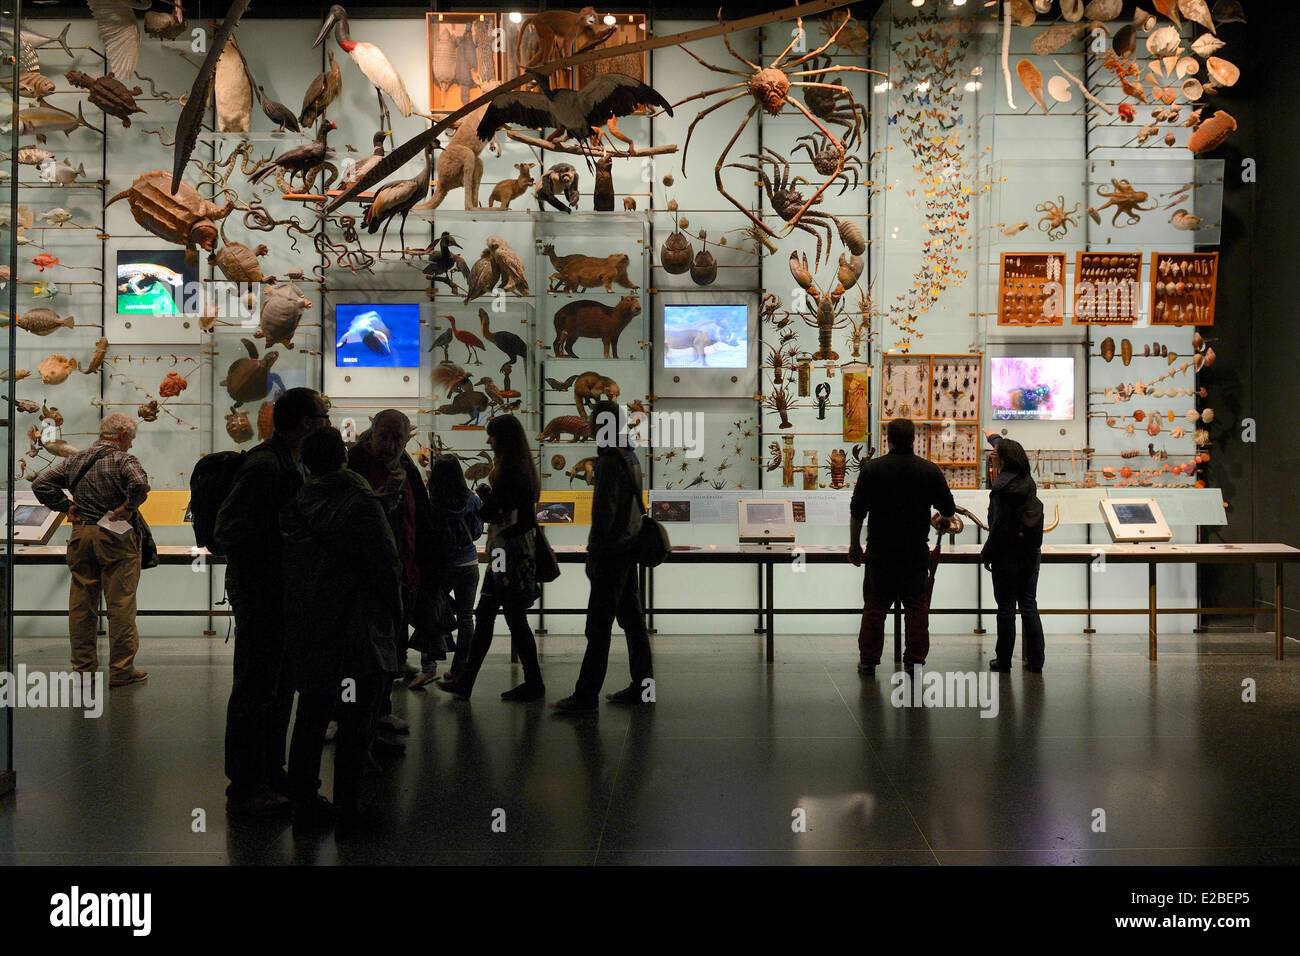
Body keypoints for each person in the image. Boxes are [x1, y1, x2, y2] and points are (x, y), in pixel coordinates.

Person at [281, 427, 404, 833]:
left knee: (312, 712)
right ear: (344, 458)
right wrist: (395, 624)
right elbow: (387, 565)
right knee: (357, 720)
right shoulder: (361, 500)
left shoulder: (298, 500)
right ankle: (349, 807)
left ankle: (303, 799)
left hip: (313, 622)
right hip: (358, 626)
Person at [215, 386, 328, 820]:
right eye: (321, 417)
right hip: (263, 599)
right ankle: (245, 786)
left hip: (278, 597)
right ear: (306, 424)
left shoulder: (285, 462)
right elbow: (231, 531)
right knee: (255, 690)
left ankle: (267, 774)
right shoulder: (265, 466)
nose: (326, 423)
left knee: (277, 690)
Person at [32, 412, 151, 688]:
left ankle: (83, 670)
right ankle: (122, 671)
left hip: (81, 534)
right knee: (120, 605)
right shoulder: (124, 459)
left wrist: (66, 507)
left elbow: (40, 483)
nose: (131, 444)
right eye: (131, 438)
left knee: (82, 605)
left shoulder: (75, 459)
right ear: (122, 435)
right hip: (116, 538)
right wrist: (128, 508)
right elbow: (139, 484)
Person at [437, 414, 543, 702]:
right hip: (513, 552)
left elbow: (495, 513)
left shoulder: (508, 471)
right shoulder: (524, 469)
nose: (489, 441)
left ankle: (475, 681)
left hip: (504, 553)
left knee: (501, 617)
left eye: (492, 436)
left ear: (502, 439)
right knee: (497, 616)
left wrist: (484, 497)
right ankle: (470, 681)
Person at [555, 401, 653, 714]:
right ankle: (643, 687)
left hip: (612, 553)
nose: (591, 428)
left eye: (595, 423)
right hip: (627, 548)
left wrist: (595, 553)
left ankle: (585, 695)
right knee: (632, 622)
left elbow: (605, 512)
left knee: (599, 627)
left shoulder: (611, 460)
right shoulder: (630, 455)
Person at [346, 409, 438, 737]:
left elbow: (422, 515)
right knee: (359, 656)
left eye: (398, 438)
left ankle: (381, 711)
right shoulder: (353, 463)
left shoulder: (407, 465)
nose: (390, 444)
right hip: (365, 577)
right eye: (384, 436)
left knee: (393, 652)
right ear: (371, 434)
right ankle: (345, 717)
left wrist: (425, 568)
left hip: (403, 572)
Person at [848, 418, 956, 677]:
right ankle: (915, 661)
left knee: (875, 607)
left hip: (880, 551)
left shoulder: (873, 470)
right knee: (916, 608)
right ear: (914, 439)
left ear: (888, 439)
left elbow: (857, 511)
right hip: (915, 552)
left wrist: (854, 544)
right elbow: (948, 510)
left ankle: (869, 660)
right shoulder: (928, 470)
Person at [411, 455, 483, 689]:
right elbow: (477, 532)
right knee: (466, 617)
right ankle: (458, 669)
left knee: (430, 612)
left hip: (442, 566)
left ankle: (429, 668)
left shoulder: (433, 504)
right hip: (469, 564)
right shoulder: (472, 500)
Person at [982, 432, 1046, 674]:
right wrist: (994, 438)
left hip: (1005, 555)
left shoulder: (1001, 487)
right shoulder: (1027, 481)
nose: (992, 456)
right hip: (1030, 552)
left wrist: (987, 553)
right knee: (1029, 605)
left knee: (1006, 608)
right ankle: (1036, 661)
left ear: (1004, 460)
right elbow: (1006, 447)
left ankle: (1004, 660)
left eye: (995, 454)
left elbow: (998, 525)